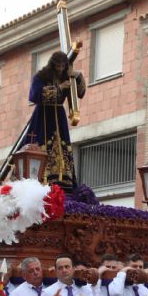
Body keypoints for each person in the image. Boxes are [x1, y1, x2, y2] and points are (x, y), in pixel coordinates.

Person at [28, 51, 86, 193]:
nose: (60, 69)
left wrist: (78, 77)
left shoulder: (68, 76)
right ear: (52, 65)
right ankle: (39, 177)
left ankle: (63, 180)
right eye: (57, 66)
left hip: (59, 117)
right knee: (39, 147)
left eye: (62, 66)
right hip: (43, 116)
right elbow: (34, 95)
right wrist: (59, 87)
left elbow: (80, 93)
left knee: (62, 148)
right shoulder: (41, 76)